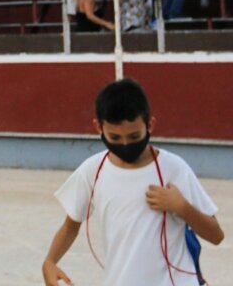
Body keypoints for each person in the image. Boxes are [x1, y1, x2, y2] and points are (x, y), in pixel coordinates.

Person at [42, 78, 223, 286]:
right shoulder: (92, 171)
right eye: (115, 138)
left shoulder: (173, 168)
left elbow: (216, 235)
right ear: (98, 127)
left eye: (134, 136)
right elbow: (70, 226)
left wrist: (181, 206)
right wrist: (49, 261)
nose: (126, 144)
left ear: (150, 125)